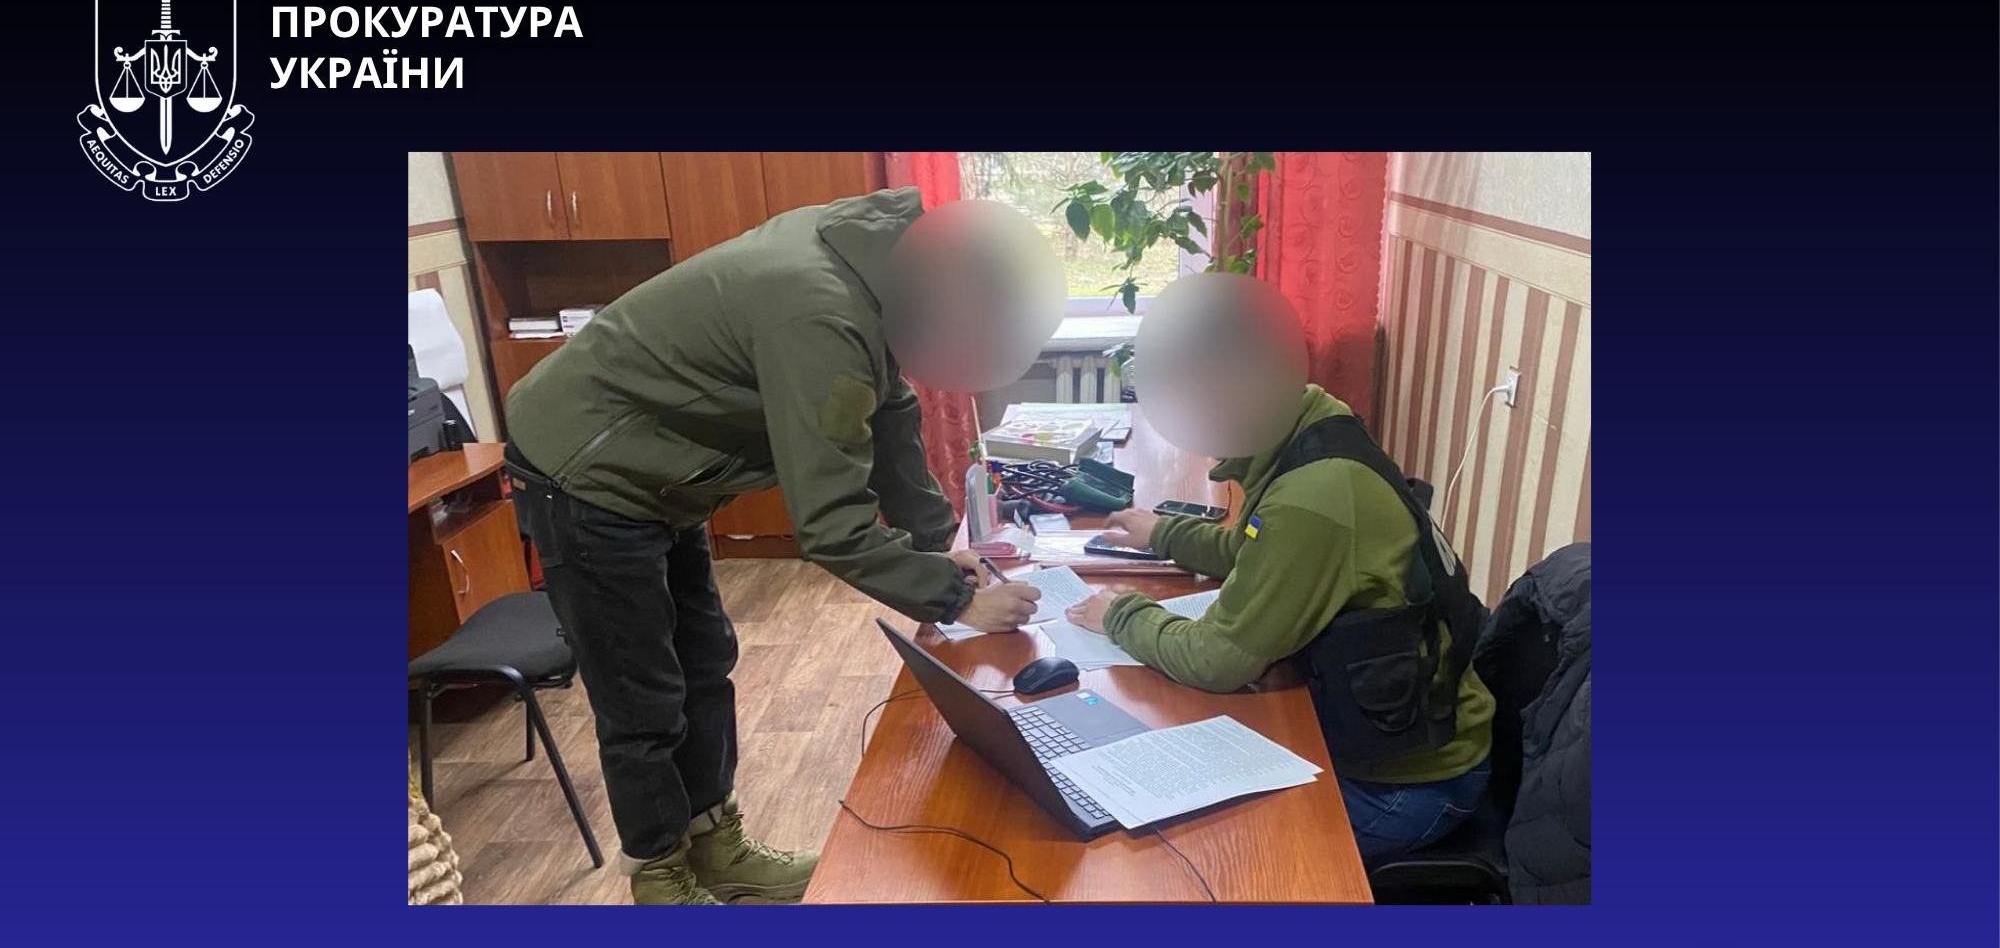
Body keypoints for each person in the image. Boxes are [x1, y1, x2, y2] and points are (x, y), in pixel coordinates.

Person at [503, 187, 1062, 904]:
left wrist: (937, 546)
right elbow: (828, 524)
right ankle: (660, 876)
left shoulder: (887, 273)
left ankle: (716, 845)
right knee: (642, 695)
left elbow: (890, 414)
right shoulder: (823, 311)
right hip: (584, 467)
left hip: (661, 477)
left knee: (705, 663)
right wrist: (959, 601)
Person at [1063, 273, 1494, 864]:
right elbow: (1255, 552)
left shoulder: (1312, 498)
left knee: (1205, 857)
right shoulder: (1310, 416)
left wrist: (1121, 613)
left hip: (1412, 786)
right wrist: (1161, 532)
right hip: (1390, 737)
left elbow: (1218, 660)